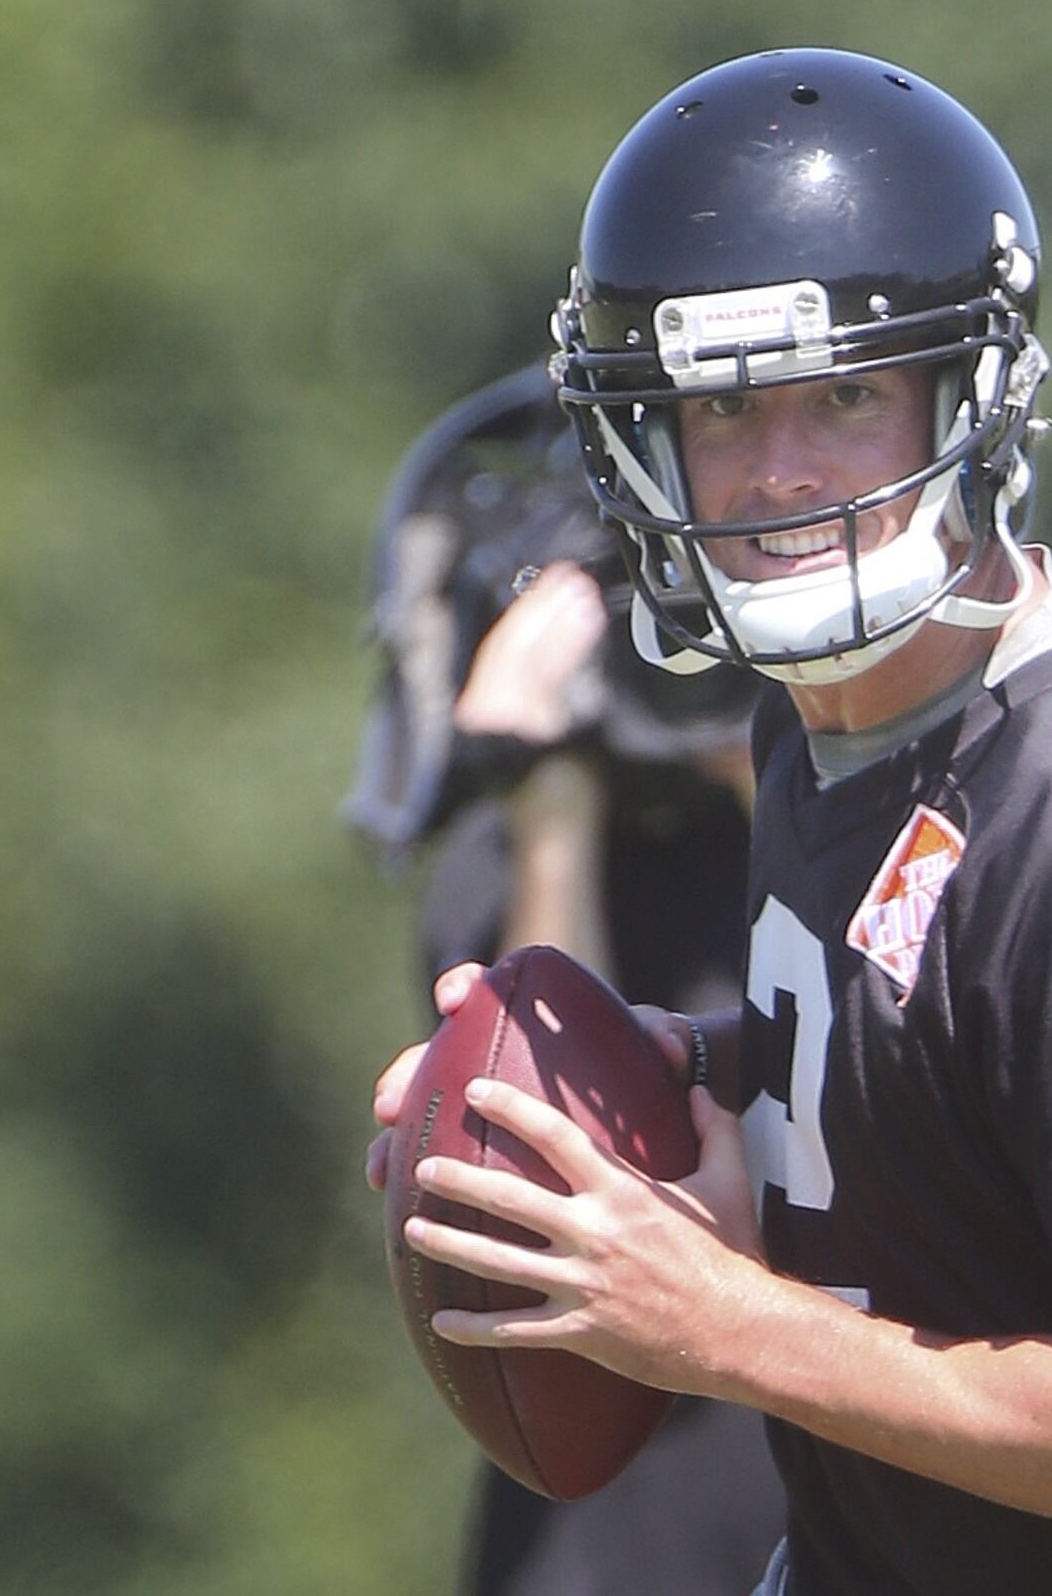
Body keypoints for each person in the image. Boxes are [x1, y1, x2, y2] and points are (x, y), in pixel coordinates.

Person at [364, 49, 1052, 1593]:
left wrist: (724, 1324)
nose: (781, 475)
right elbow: (955, 1062)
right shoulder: (822, 722)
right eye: (724, 409)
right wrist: (671, 1070)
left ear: (974, 398)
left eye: (848, 395)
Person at [344, 371, 788, 1596]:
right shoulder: (496, 866)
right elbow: (539, 1154)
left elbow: (865, 1017)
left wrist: (775, 747)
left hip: (811, 1463)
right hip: (608, 1525)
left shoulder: (812, 833)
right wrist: (550, 810)